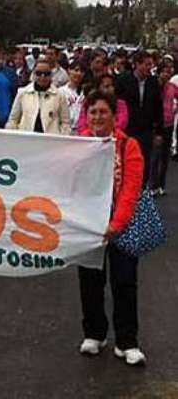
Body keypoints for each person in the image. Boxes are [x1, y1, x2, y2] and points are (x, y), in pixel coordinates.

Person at [77, 90, 146, 366]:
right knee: (90, 281)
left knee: (125, 282)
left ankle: (127, 341)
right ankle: (94, 333)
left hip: (123, 224)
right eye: (93, 112)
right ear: (86, 116)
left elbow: (131, 189)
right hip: (88, 225)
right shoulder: (76, 144)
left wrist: (116, 224)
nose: (97, 117)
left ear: (114, 116)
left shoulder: (128, 146)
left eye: (103, 112)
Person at [116, 51, 163, 183]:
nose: (149, 68)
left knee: (144, 163)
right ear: (137, 64)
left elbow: (158, 108)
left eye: (151, 65)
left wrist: (159, 132)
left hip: (146, 130)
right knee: (126, 162)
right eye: (146, 64)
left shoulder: (153, 82)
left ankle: (141, 192)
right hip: (128, 129)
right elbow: (117, 106)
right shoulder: (123, 81)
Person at [6, 60, 71, 135]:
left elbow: (65, 122)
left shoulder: (60, 95)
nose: (42, 77)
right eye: (39, 73)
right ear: (34, 74)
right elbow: (13, 120)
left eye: (46, 74)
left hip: (51, 142)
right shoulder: (22, 93)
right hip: (26, 140)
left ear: (51, 75)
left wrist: (62, 139)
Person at [149, 62, 177, 196]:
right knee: (155, 156)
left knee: (165, 156)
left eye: (168, 71)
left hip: (169, 124)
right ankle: (152, 185)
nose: (166, 74)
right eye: (164, 71)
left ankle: (161, 185)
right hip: (156, 125)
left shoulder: (172, 87)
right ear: (159, 72)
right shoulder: (154, 85)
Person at [58, 61, 86, 134]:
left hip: (82, 131)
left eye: (82, 71)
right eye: (76, 70)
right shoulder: (60, 92)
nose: (79, 73)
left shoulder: (86, 92)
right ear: (69, 70)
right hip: (65, 131)